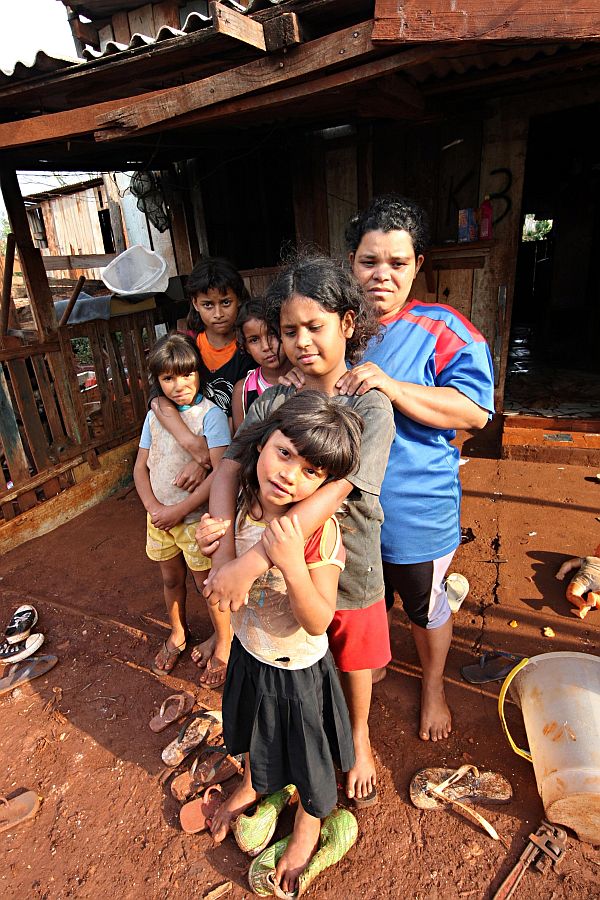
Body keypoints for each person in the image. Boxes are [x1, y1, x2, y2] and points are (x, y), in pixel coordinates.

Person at [198, 256, 395, 805]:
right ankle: (275, 764)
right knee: (288, 650)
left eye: (316, 327)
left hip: (347, 551)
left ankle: (358, 735)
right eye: (289, 331)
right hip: (267, 559)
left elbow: (339, 492)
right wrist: (224, 556)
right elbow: (230, 467)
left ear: (349, 324)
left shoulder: (371, 405)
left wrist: (247, 562)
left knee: (352, 655)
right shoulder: (277, 398)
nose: (302, 342)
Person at [341, 194, 495, 741]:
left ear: (418, 266)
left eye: (398, 263)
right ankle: (376, 655)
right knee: (366, 592)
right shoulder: (338, 327)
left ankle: (433, 685)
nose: (382, 275)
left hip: (417, 506)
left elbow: (475, 412)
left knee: (424, 604)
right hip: (349, 506)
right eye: (369, 261)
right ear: (351, 264)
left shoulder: (443, 326)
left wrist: (390, 384)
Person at [198, 391, 362, 896]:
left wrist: (291, 564)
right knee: (250, 726)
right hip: (250, 652)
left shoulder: (318, 535)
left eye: (311, 472)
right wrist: (212, 547)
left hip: (299, 673)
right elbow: (223, 588)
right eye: (285, 453)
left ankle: (311, 821)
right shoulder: (241, 508)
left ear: (324, 485)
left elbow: (318, 622)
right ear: (263, 442)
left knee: (310, 758)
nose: (290, 475)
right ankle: (254, 782)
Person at [149, 258, 254, 683]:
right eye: (208, 304)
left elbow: (244, 418)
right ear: (195, 304)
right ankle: (202, 633)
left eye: (226, 302)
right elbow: (160, 403)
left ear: (238, 301)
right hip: (204, 462)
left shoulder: (248, 350)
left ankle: (232, 636)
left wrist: (204, 458)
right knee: (194, 567)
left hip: (229, 462)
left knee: (228, 551)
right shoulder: (186, 347)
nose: (218, 312)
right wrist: (197, 450)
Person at [133, 333, 231, 676]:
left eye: (186, 374)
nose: (179, 385)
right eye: (168, 378)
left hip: (192, 521)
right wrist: (152, 508)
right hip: (159, 519)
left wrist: (177, 510)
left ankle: (224, 641)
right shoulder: (154, 416)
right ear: (157, 381)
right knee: (170, 579)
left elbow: (219, 473)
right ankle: (178, 632)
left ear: (198, 372)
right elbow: (140, 468)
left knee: (208, 585)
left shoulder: (212, 416)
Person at [231, 298, 291, 431]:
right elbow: (242, 443)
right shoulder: (244, 390)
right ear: (245, 347)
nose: (266, 346)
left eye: (272, 334)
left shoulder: (306, 377)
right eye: (254, 340)